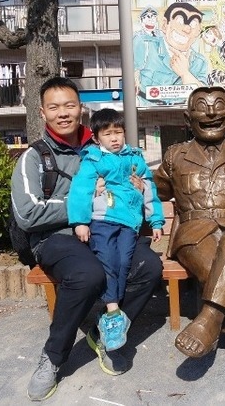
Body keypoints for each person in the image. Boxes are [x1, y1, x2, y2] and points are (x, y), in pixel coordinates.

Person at [11, 77, 162, 401]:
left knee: (149, 266)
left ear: (81, 108)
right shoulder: (34, 158)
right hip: (57, 237)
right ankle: (53, 357)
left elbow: (137, 184)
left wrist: (134, 191)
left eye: (69, 105)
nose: (63, 113)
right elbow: (27, 214)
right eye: (54, 107)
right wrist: (82, 203)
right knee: (87, 274)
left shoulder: (104, 148)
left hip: (108, 230)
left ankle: (105, 332)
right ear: (42, 112)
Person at [153, 86, 225, 387]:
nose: (211, 112)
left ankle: (208, 321)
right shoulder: (174, 155)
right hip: (193, 232)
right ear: (187, 117)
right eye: (202, 107)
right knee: (213, 263)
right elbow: (153, 190)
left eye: (219, 106)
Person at [67, 108, 165, 352]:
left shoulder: (134, 158)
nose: (114, 138)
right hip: (102, 219)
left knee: (123, 261)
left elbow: (150, 190)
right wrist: (80, 221)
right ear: (96, 138)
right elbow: (80, 190)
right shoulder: (93, 159)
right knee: (108, 261)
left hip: (129, 223)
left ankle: (112, 312)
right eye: (108, 134)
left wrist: (156, 221)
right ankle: (112, 312)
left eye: (118, 133)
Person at [134, 2, 208, 106]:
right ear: (165, 25)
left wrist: (185, 74)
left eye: (193, 24)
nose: (187, 29)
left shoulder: (200, 61)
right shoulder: (146, 47)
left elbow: (203, 99)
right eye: (180, 21)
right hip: (147, 115)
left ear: (198, 32)